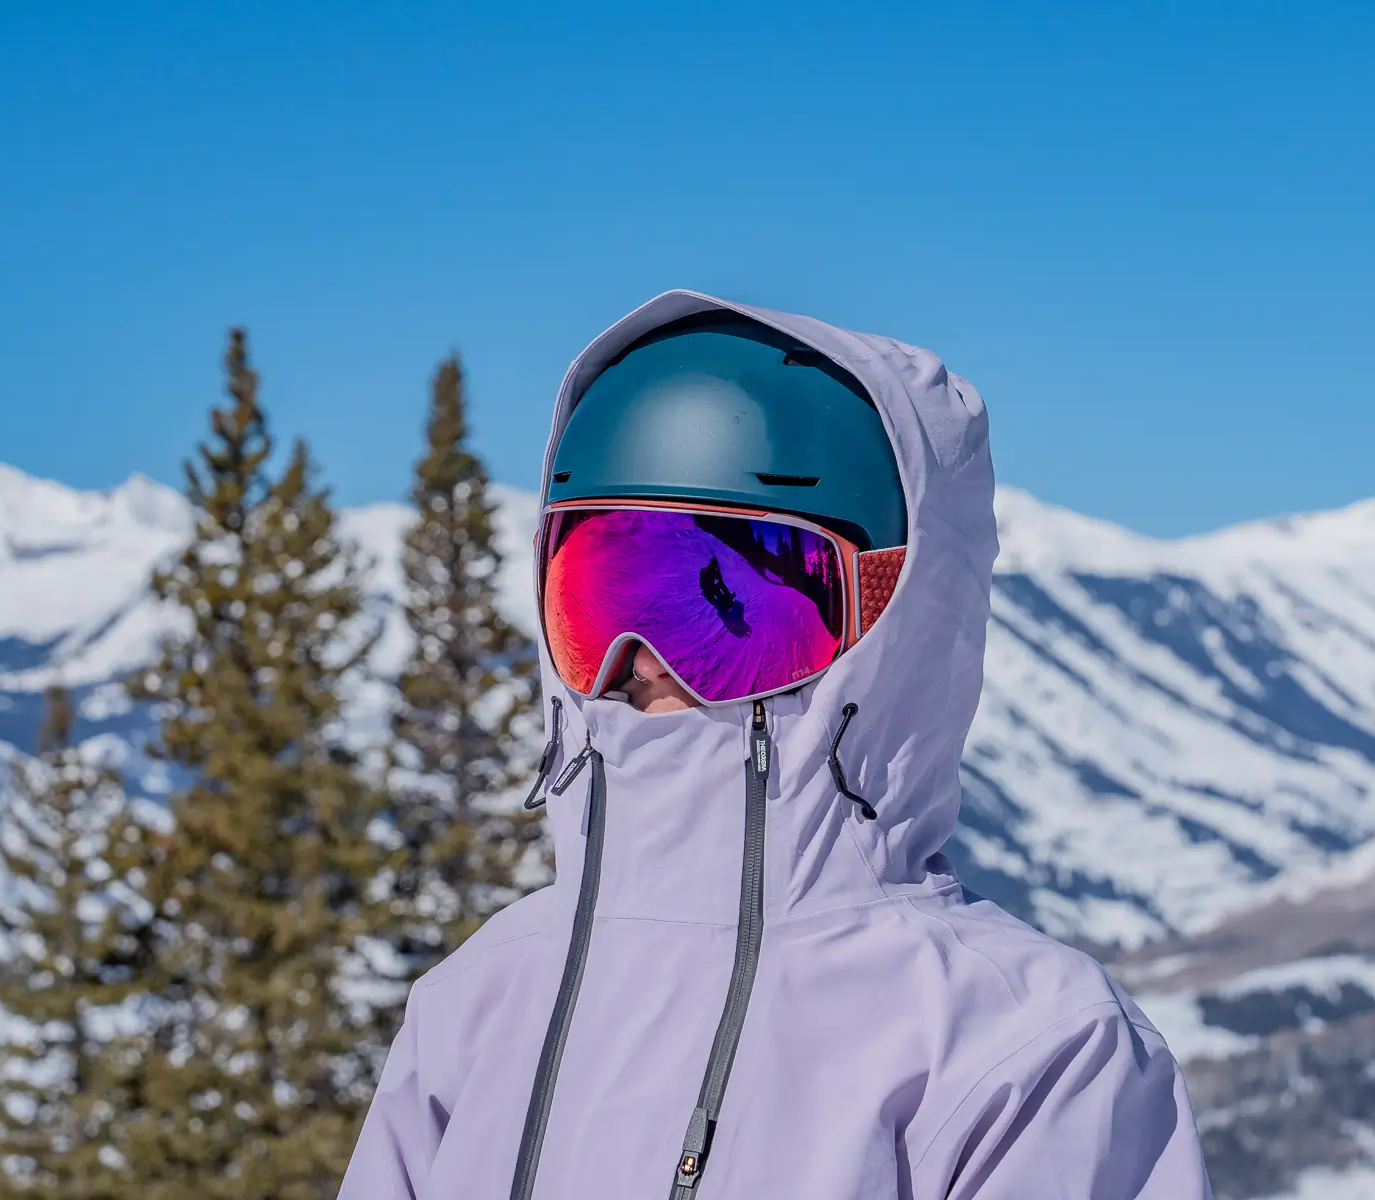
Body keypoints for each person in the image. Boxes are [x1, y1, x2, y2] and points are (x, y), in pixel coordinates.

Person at [340, 292, 1212, 1198]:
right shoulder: (479, 999)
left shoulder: (1028, 1048)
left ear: (894, 620)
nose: (640, 663)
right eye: (598, 592)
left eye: (734, 600)